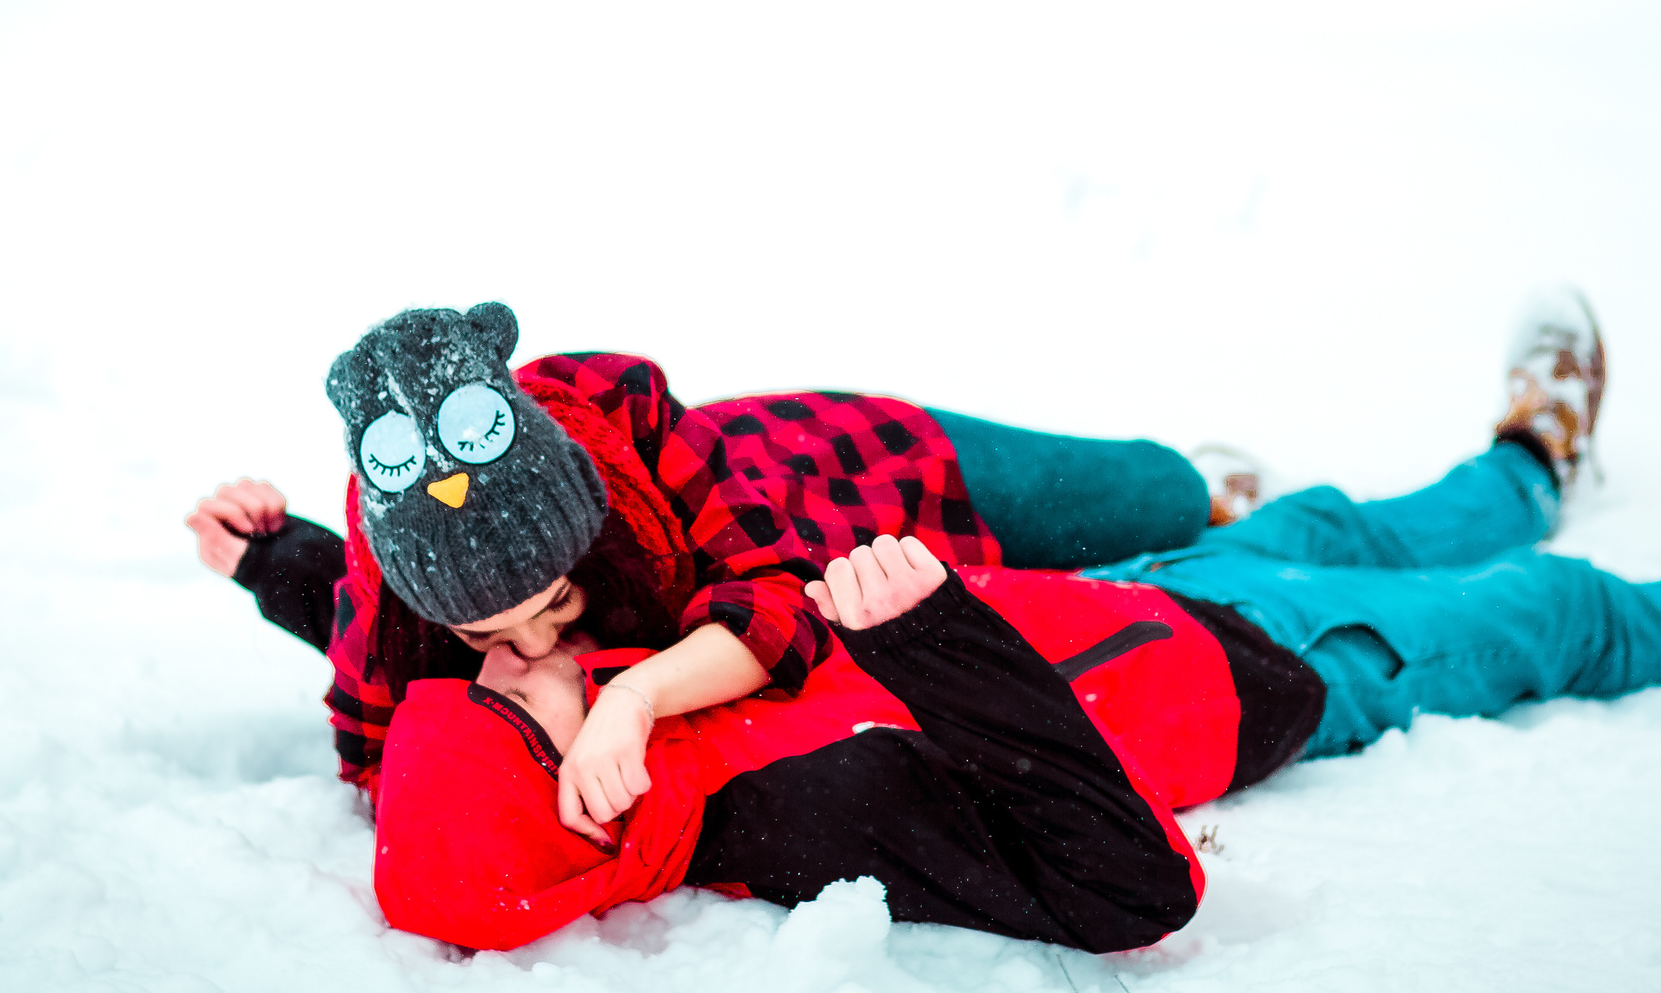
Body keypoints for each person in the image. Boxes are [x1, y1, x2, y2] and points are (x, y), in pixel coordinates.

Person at [200, 290, 1661, 953]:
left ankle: (1529, 451)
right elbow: (1125, 888)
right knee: (1547, 617)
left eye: (525, 649)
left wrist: (284, 566)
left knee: (1330, 513)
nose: (528, 661)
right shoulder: (786, 829)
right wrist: (932, 642)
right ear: (581, 821)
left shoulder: (596, 674)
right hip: (1276, 688)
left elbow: (429, 654)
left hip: (1132, 599)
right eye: (516, 686)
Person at [187, 300, 1220, 846]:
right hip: (920, 587)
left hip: (868, 464)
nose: (542, 645)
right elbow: (380, 723)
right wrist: (268, 554)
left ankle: (1223, 485)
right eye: (490, 637)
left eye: (557, 601)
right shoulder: (388, 586)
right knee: (1181, 577)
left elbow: (775, 603)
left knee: (1164, 498)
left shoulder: (625, 421)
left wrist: (634, 695)